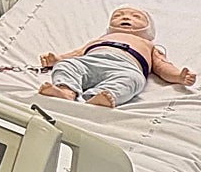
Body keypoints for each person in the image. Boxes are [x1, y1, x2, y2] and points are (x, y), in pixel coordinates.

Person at [39, 6, 195, 106]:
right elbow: (78, 53)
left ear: (149, 29)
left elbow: (162, 66)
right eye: (118, 15)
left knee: (134, 79)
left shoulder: (148, 44)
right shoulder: (101, 39)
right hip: (91, 61)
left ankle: (101, 97)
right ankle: (66, 91)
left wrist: (179, 76)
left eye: (136, 17)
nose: (126, 18)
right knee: (66, 66)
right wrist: (58, 60)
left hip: (126, 67)